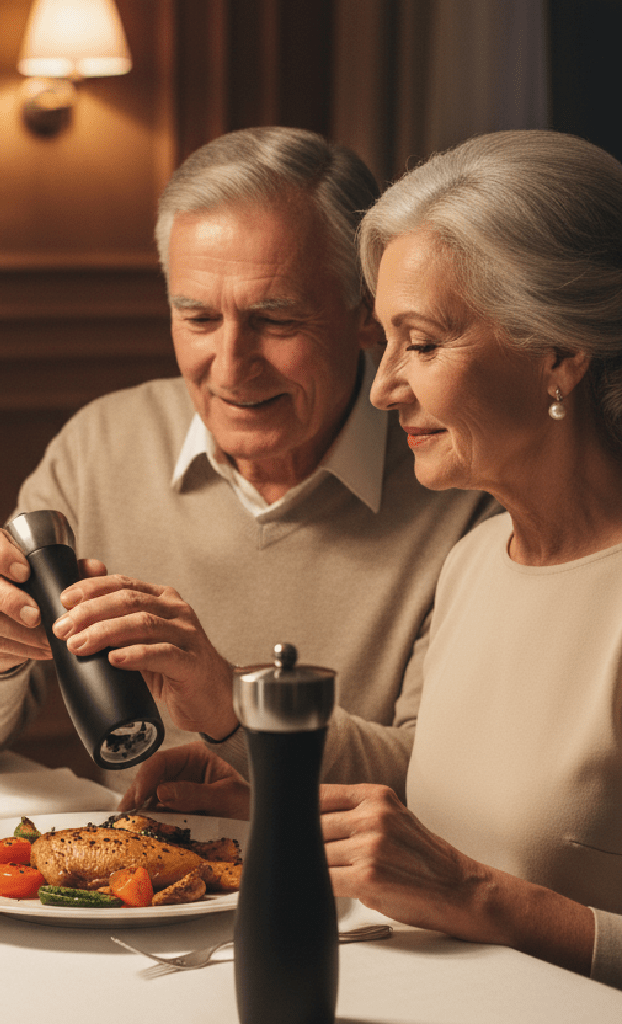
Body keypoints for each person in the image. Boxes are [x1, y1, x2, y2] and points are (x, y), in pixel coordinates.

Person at [128, 129, 622, 988]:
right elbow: (450, 811)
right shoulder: (475, 561)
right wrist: (262, 793)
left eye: (422, 343)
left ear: (560, 355)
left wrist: (482, 897)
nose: (386, 384)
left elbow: (473, 879)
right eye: (385, 339)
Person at [0, 127, 493, 794]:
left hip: (339, 892)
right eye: (199, 320)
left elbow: (432, 786)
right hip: (130, 884)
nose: (231, 367)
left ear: (365, 312)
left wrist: (229, 703)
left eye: (276, 320)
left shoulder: (460, 482)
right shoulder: (103, 443)